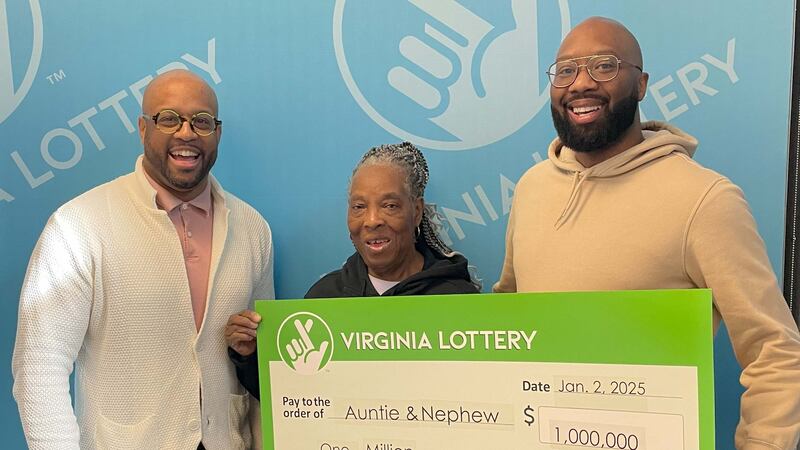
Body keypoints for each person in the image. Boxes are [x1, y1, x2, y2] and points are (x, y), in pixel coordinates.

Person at [493, 16, 800, 449]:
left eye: (604, 66)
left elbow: (775, 351)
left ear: (641, 85)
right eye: (566, 70)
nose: (580, 83)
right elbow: (509, 315)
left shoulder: (705, 199)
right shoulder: (531, 188)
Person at [12, 69, 274, 450]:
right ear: (142, 128)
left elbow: (263, 359)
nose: (186, 133)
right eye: (168, 119)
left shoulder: (253, 228)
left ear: (217, 133)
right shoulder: (77, 226)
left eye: (201, 121)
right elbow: (39, 366)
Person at [225, 141, 479, 398]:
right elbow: (294, 400)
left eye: (389, 205)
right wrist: (250, 357)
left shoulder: (459, 300)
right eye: (359, 207)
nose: (372, 220)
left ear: (416, 211)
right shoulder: (324, 299)